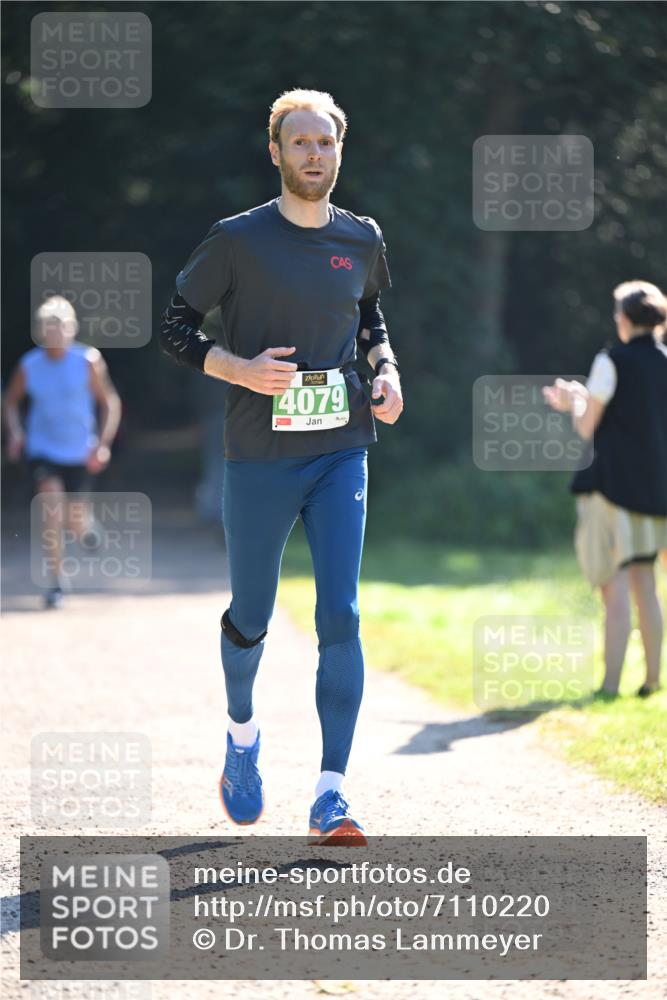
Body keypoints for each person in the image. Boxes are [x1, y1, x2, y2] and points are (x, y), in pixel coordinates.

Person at [159, 89, 403, 843]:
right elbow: (172, 327)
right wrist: (235, 368)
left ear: (339, 149)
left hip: (339, 449)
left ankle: (331, 794)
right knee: (251, 617)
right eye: (298, 143)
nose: (312, 154)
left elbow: (369, 315)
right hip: (260, 457)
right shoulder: (236, 239)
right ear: (275, 152)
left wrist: (386, 370)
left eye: (324, 142)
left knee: (342, 615)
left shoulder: (360, 237)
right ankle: (241, 739)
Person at [543, 281, 667, 698]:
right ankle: (651, 680)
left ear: (627, 319)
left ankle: (610, 686)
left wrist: (573, 402)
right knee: (646, 585)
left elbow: (586, 426)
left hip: (610, 489)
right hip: (654, 492)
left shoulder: (609, 360)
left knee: (613, 589)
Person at [3, 295, 122, 608]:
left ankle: (87, 529)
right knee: (51, 507)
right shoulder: (29, 365)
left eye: (60, 327)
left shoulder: (88, 361)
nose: (54, 333)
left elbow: (109, 401)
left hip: (79, 451)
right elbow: (11, 401)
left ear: (72, 328)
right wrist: (15, 433)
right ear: (41, 331)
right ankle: (56, 582)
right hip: (43, 449)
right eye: (48, 327)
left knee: (74, 519)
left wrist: (103, 444)